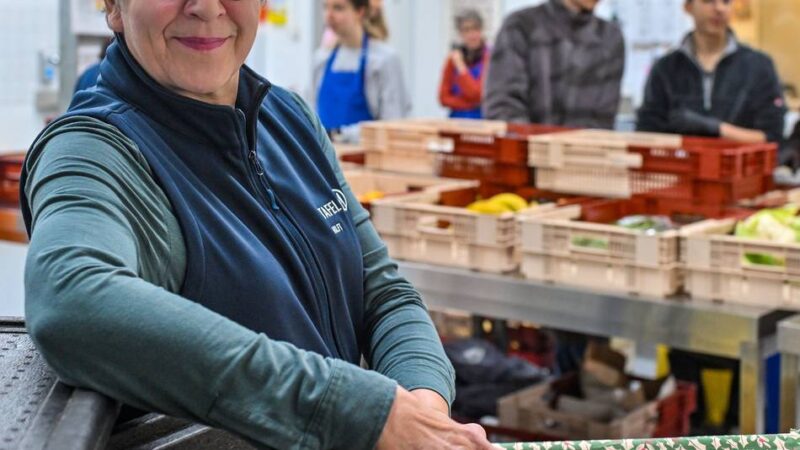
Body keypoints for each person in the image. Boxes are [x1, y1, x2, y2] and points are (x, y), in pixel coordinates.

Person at [21, 1, 493, 449]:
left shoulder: (288, 119)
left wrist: (421, 410)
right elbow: (74, 300)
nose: (206, 7)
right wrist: (360, 412)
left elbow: (384, 294)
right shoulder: (94, 150)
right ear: (113, 6)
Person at [637, 0, 786, 144]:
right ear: (688, 7)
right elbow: (647, 133)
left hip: (742, 166)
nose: (719, 8)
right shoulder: (665, 69)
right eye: (708, 1)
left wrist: (716, 128)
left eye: (726, 1)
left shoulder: (759, 66)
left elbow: (772, 136)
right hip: (680, 166)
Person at [483, 0, 625, 129]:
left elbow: (603, 118)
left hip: (584, 153)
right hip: (525, 152)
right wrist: (532, 149)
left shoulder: (610, 38)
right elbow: (504, 106)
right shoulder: (521, 26)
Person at [312, 0, 410, 142]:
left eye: (338, 8)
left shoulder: (383, 60)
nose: (329, 15)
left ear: (360, 11)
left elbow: (393, 126)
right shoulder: (321, 59)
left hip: (366, 159)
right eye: (326, 7)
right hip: (322, 160)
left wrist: (339, 134)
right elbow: (311, 114)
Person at [438, 9, 489, 119]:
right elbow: (443, 98)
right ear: (460, 33)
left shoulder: (489, 57)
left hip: (482, 121)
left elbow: (477, 94)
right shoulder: (453, 59)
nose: (472, 35)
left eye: (475, 29)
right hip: (456, 121)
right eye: (466, 30)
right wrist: (470, 104)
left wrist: (461, 68)